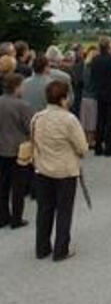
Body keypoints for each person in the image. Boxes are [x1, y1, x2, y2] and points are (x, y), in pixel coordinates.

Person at [33, 80, 88, 261]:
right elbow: (82, 147)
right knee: (64, 210)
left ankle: (42, 247)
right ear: (64, 99)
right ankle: (61, 249)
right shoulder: (69, 119)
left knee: (44, 209)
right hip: (65, 171)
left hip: (42, 169)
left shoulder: (37, 118)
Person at [0, 74, 34, 229]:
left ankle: (3, 216)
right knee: (18, 186)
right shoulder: (23, 106)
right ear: (16, 87)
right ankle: (16, 218)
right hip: (19, 149)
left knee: (3, 185)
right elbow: (30, 127)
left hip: (2, 148)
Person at [90, 37, 111, 156]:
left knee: (100, 120)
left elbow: (93, 76)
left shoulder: (95, 60)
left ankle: (98, 146)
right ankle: (109, 147)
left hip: (99, 92)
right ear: (109, 46)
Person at [79, 47, 98, 149]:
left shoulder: (85, 67)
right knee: (91, 120)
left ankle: (86, 140)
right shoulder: (91, 69)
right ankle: (90, 141)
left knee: (85, 120)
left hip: (84, 95)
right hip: (92, 96)